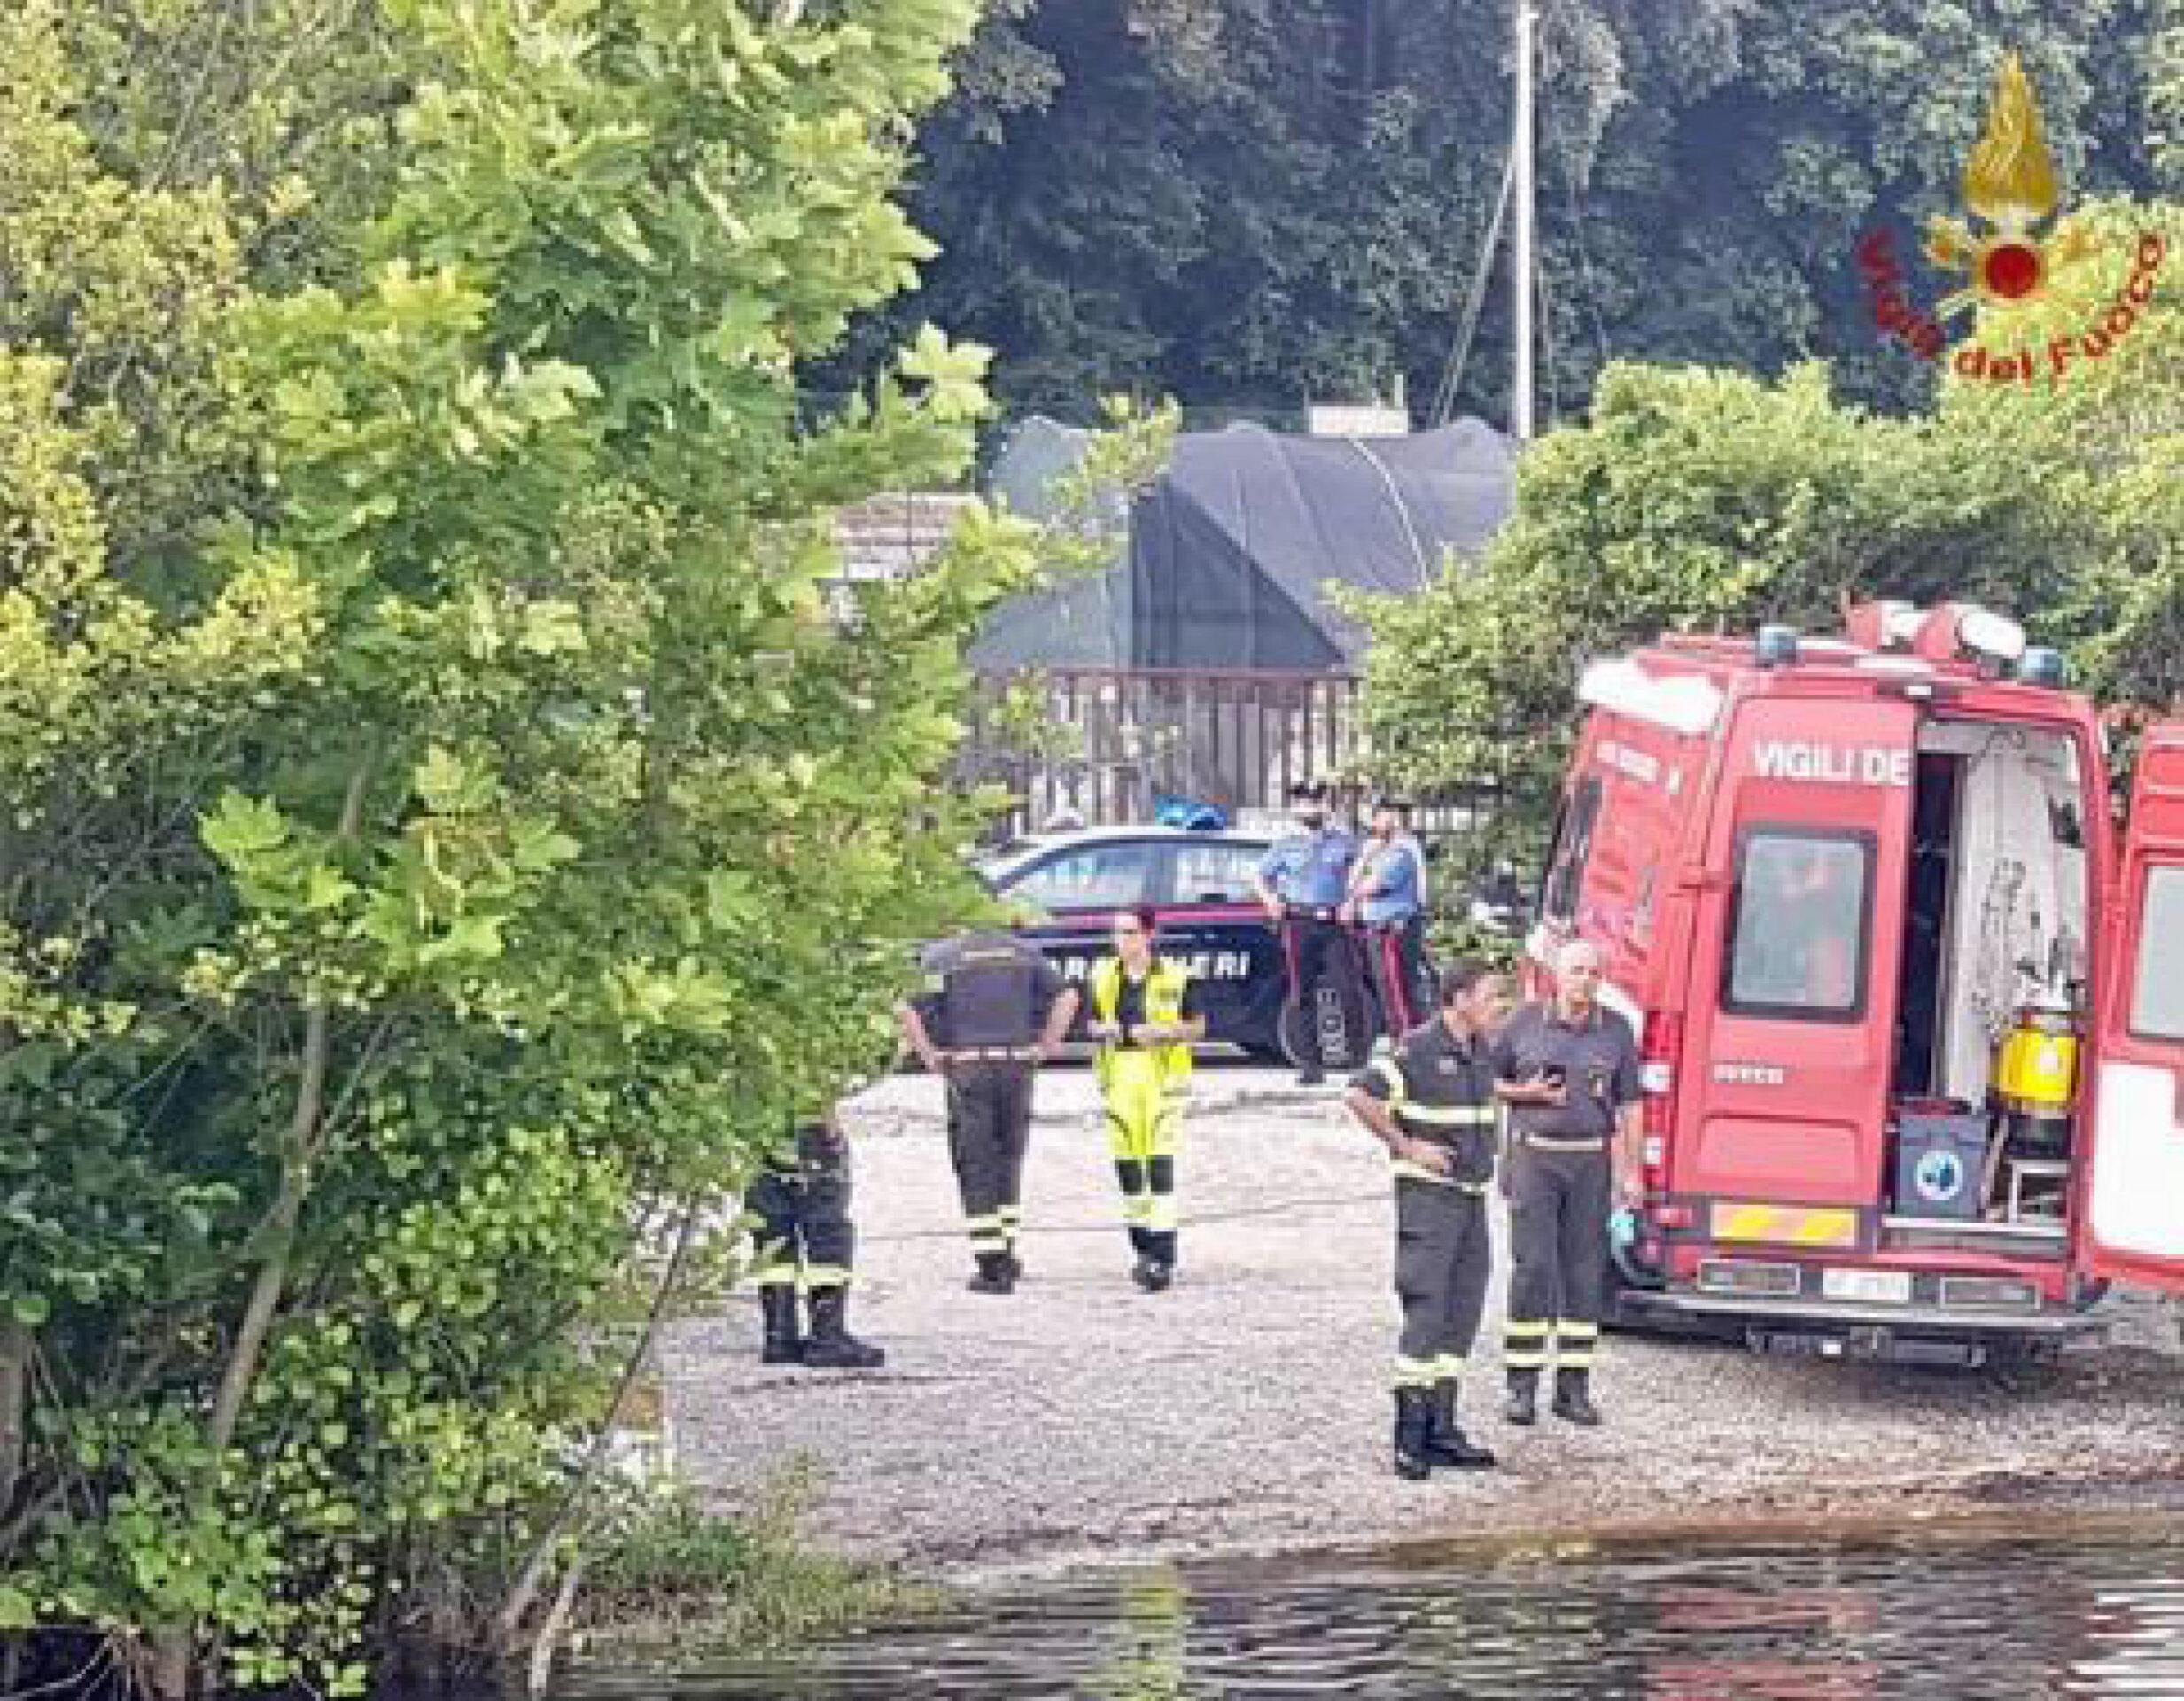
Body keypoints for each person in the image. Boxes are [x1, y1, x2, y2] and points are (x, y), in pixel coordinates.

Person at [1348, 961, 1514, 1479]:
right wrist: (1407, 1145)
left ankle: (1443, 1428)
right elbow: (1360, 1094)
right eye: (1490, 998)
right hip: (1430, 1202)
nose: (1498, 1007)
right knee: (1426, 1312)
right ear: (1459, 999)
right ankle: (1408, 1438)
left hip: (1470, 1199)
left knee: (1461, 1314)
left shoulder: (1481, 1049)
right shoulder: (1419, 1048)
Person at [1492, 938, 1643, 1428]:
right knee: (1533, 1270)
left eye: (1594, 972)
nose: (1586, 980)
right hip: (1534, 1159)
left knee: (1584, 1276)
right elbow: (1483, 1080)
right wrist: (1526, 1092)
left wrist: (1631, 1171)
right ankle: (1521, 1387)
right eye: (1577, 970)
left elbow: (1629, 1106)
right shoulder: (1521, 1024)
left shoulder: (1617, 1032)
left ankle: (1573, 1388)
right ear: (1557, 975)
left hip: (1589, 1163)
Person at [898, 927, 1079, 1295]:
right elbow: (1067, 997)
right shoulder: (1022, 952)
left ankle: (991, 1265)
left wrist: (928, 1054)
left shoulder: (941, 955)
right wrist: (1046, 1045)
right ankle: (1008, 1250)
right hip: (1016, 1067)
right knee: (1008, 1158)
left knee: (975, 1161)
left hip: (969, 1068)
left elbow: (906, 1008)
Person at [1086, 905, 1209, 1292]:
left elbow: (1198, 1027)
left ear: (1148, 935)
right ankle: (1141, 1246)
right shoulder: (1103, 975)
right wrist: (1102, 1030)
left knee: (1159, 1166)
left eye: (1129, 933)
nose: (1121, 942)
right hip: (1119, 1075)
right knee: (1127, 1167)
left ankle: (1163, 1254)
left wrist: (1164, 1033)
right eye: (1118, 934)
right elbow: (1090, 1023)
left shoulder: (1176, 975)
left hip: (1160, 1077)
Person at [750, 1107, 885, 1370]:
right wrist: (829, 1128)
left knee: (773, 1230)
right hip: (809, 1132)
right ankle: (827, 1335)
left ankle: (779, 1335)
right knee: (828, 1233)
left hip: (760, 1130)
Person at [1252, 781, 1364, 1084]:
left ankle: (1357, 1062)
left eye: (1317, 802)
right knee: (1302, 993)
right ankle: (1311, 1065)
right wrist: (1271, 900)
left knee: (1349, 989)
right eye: (1304, 803)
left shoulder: (1342, 841)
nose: (1311, 809)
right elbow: (1260, 877)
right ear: (1295, 808)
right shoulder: (1285, 844)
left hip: (1334, 923)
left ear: (1326, 807)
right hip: (1299, 921)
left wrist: (1352, 902)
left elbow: (1361, 872)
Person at [1343, 797, 1429, 1037]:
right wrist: (1364, 859)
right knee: (1388, 994)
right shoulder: (1379, 852)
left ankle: (1407, 1044)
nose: (1378, 821)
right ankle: (1402, 1041)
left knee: (1398, 994)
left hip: (1393, 932)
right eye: (1378, 814)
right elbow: (1351, 884)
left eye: (1384, 815)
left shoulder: (1402, 852)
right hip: (1378, 931)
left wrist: (1358, 885)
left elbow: (1370, 887)